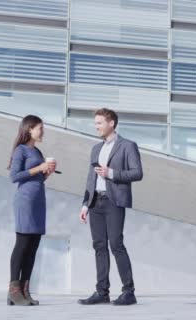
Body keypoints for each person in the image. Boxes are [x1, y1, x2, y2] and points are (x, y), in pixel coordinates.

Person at [77, 108, 143, 306]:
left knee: (116, 244)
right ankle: (101, 292)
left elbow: (137, 173)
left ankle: (129, 292)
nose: (96, 126)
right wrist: (85, 204)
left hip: (114, 201)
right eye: (95, 123)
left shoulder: (128, 146)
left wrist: (111, 173)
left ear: (111, 123)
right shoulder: (96, 149)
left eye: (99, 123)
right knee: (99, 246)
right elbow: (91, 178)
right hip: (95, 201)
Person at [7, 115, 56, 306]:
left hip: (38, 201)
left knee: (34, 246)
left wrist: (47, 173)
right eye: (40, 128)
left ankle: (25, 291)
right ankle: (14, 291)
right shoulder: (21, 150)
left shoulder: (38, 151)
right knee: (22, 245)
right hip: (25, 201)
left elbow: (38, 180)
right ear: (29, 129)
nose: (42, 131)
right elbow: (14, 177)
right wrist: (39, 168)